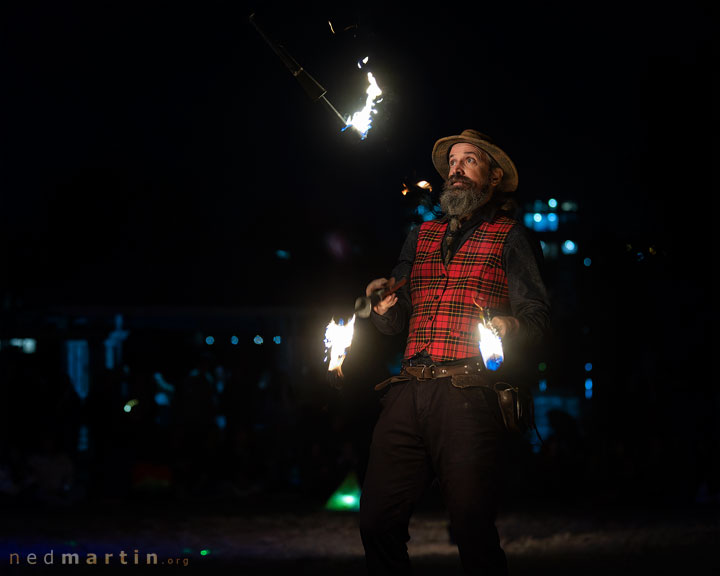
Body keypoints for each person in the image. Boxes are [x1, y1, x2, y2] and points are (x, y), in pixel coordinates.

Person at [358, 129, 551, 575]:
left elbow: (538, 318)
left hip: (469, 393)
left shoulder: (511, 237)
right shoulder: (420, 236)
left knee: (471, 529)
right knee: (376, 522)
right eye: (451, 162)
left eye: (468, 160)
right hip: (408, 391)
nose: (455, 168)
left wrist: (508, 324)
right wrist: (384, 304)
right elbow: (394, 321)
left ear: (493, 176)